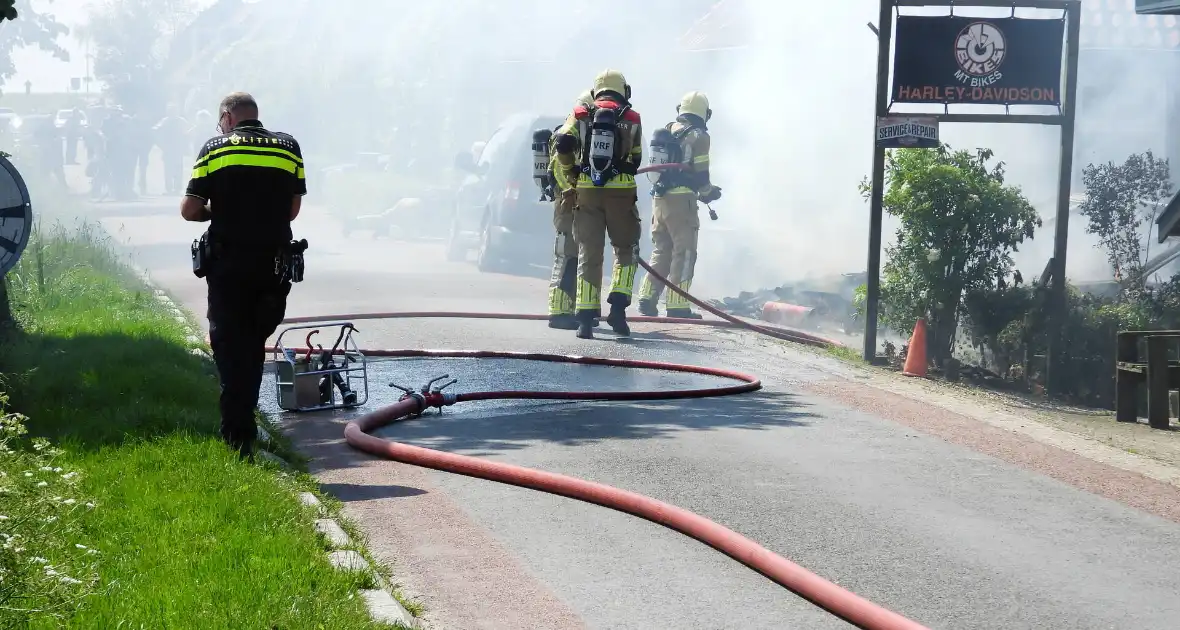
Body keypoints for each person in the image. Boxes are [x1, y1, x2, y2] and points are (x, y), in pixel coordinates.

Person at [181, 92, 307, 460]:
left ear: (227, 117)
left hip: (229, 265)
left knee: (228, 344)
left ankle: (236, 432)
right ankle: (243, 428)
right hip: (273, 265)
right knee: (253, 343)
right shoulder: (288, 146)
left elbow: (189, 210)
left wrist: (216, 211)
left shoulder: (215, 148)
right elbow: (293, 210)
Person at [553, 70, 644, 339]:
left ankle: (584, 318)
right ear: (623, 90)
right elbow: (636, 158)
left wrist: (572, 173)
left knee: (589, 252)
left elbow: (563, 144)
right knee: (626, 249)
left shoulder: (581, 114)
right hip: (622, 192)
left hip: (587, 190)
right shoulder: (632, 118)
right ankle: (618, 307)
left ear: (597, 91)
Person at [637, 91, 722, 319]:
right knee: (684, 253)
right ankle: (677, 305)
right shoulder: (700, 136)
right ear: (706, 114)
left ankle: (647, 298)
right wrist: (710, 193)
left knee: (661, 250)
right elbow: (701, 175)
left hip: (660, 199)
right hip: (682, 203)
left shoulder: (669, 129)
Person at [546, 89, 593, 330]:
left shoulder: (583, 134)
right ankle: (559, 311)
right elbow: (557, 169)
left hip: (579, 204)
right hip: (568, 205)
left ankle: (573, 308)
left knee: (579, 257)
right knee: (567, 256)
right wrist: (571, 191)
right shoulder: (567, 133)